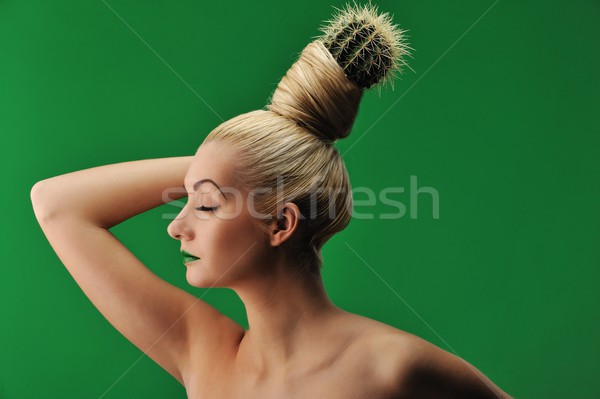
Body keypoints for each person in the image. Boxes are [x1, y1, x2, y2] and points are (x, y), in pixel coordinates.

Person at [31, 3, 512, 398]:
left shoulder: (393, 367)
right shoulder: (202, 353)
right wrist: (237, 161)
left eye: (205, 204)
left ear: (280, 223)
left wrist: (248, 167)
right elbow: (57, 204)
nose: (176, 227)